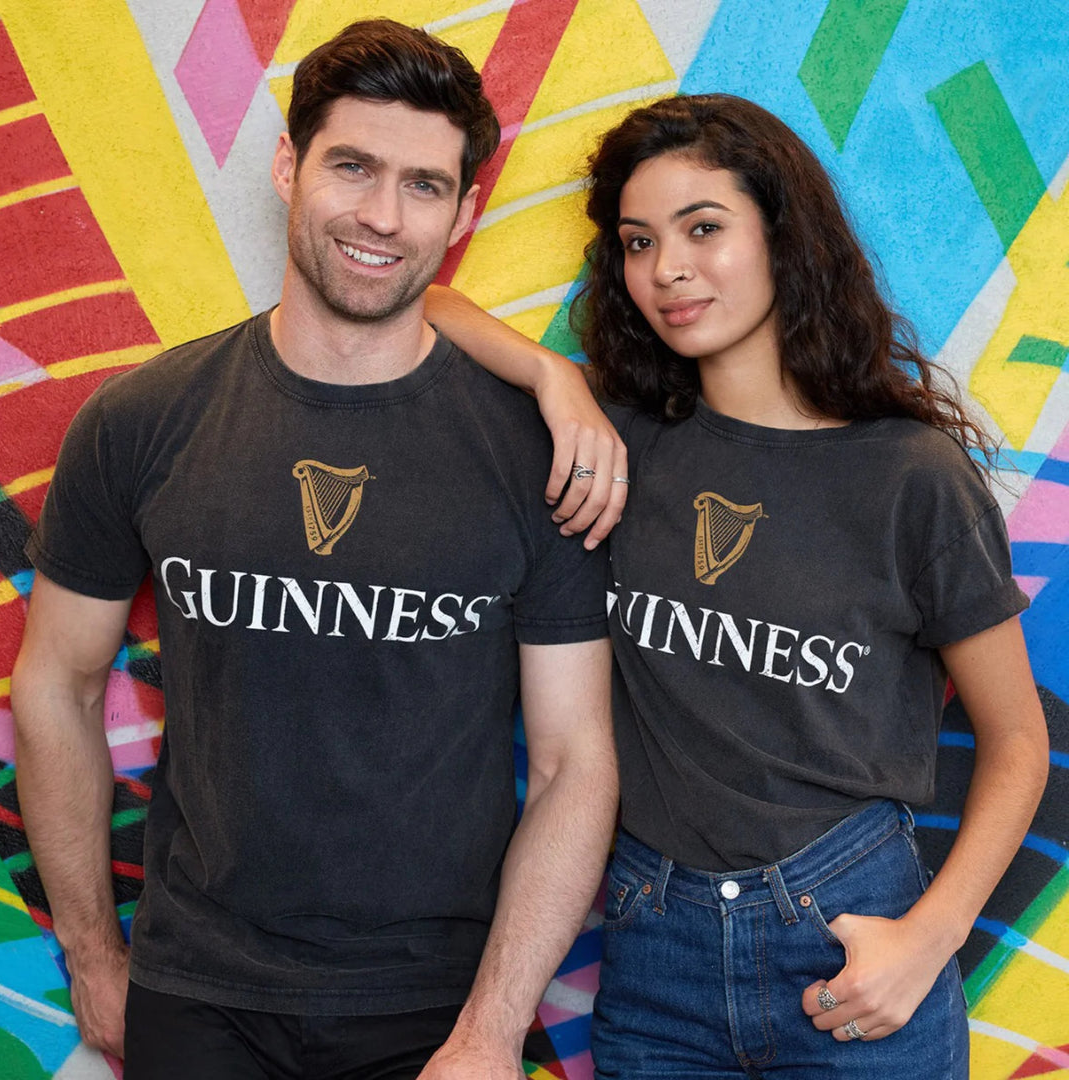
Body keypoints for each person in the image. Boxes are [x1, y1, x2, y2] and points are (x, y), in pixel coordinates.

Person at [10, 19, 619, 1080]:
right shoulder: (142, 420)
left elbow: (575, 762)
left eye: (424, 186)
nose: (383, 215)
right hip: (196, 993)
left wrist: (489, 1029)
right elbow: (56, 683)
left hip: (436, 1009)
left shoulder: (539, 455)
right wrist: (93, 953)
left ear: (464, 211)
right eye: (352, 167)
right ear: (289, 165)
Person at [424, 94, 1049, 1077]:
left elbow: (1018, 743)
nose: (666, 269)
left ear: (782, 235)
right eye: (638, 242)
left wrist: (926, 943)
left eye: (703, 228)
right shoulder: (621, 444)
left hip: (849, 944)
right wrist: (556, 380)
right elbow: (428, 303)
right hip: (654, 952)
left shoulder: (909, 477)